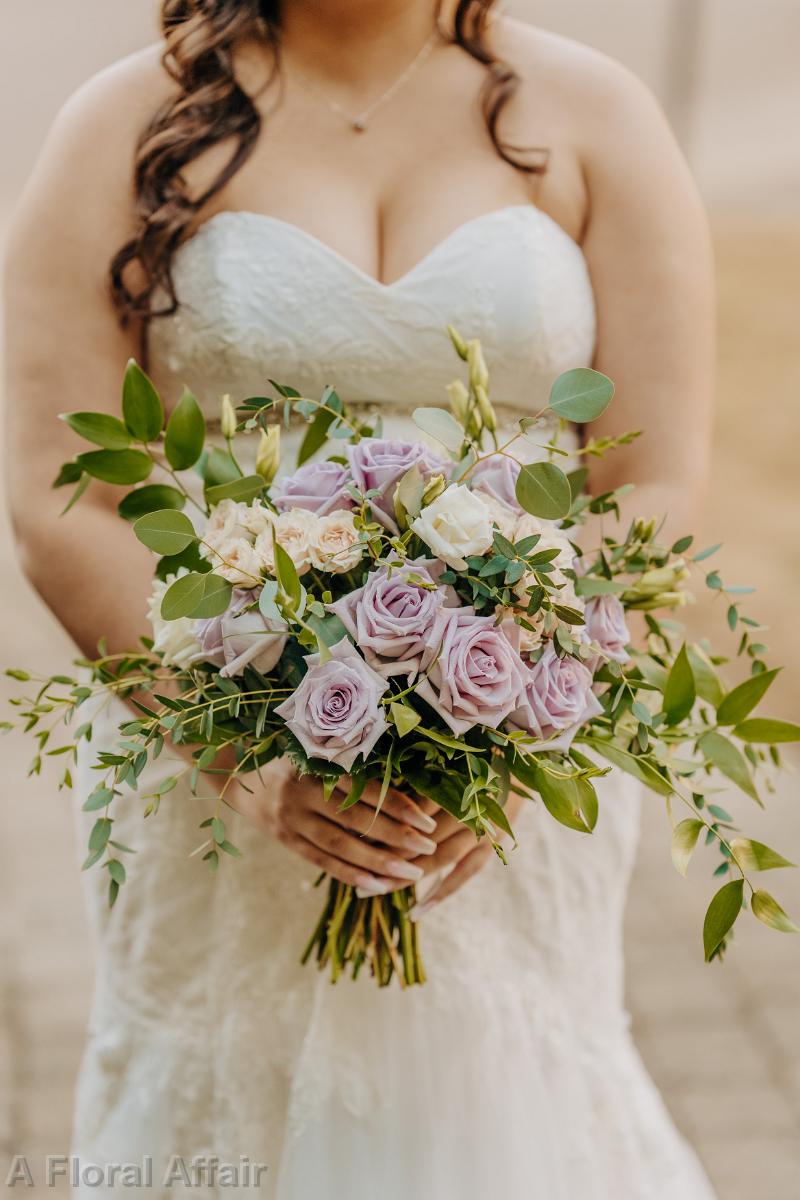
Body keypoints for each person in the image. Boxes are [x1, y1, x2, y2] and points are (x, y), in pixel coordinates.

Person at [4, 1, 716, 1195]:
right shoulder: (124, 127)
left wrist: (526, 718)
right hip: (204, 746)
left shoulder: (594, 115)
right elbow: (54, 488)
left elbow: (654, 480)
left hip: (510, 778)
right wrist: (238, 751)